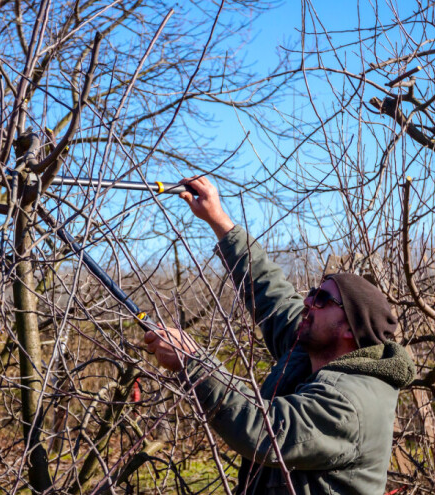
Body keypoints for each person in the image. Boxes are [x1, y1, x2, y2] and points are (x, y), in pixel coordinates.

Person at [143, 176, 416, 495]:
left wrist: (193, 362)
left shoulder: (351, 404)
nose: (308, 301)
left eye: (322, 299)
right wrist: (218, 219)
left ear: (349, 329)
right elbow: (271, 295)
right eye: (313, 292)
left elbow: (266, 431)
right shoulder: (313, 352)